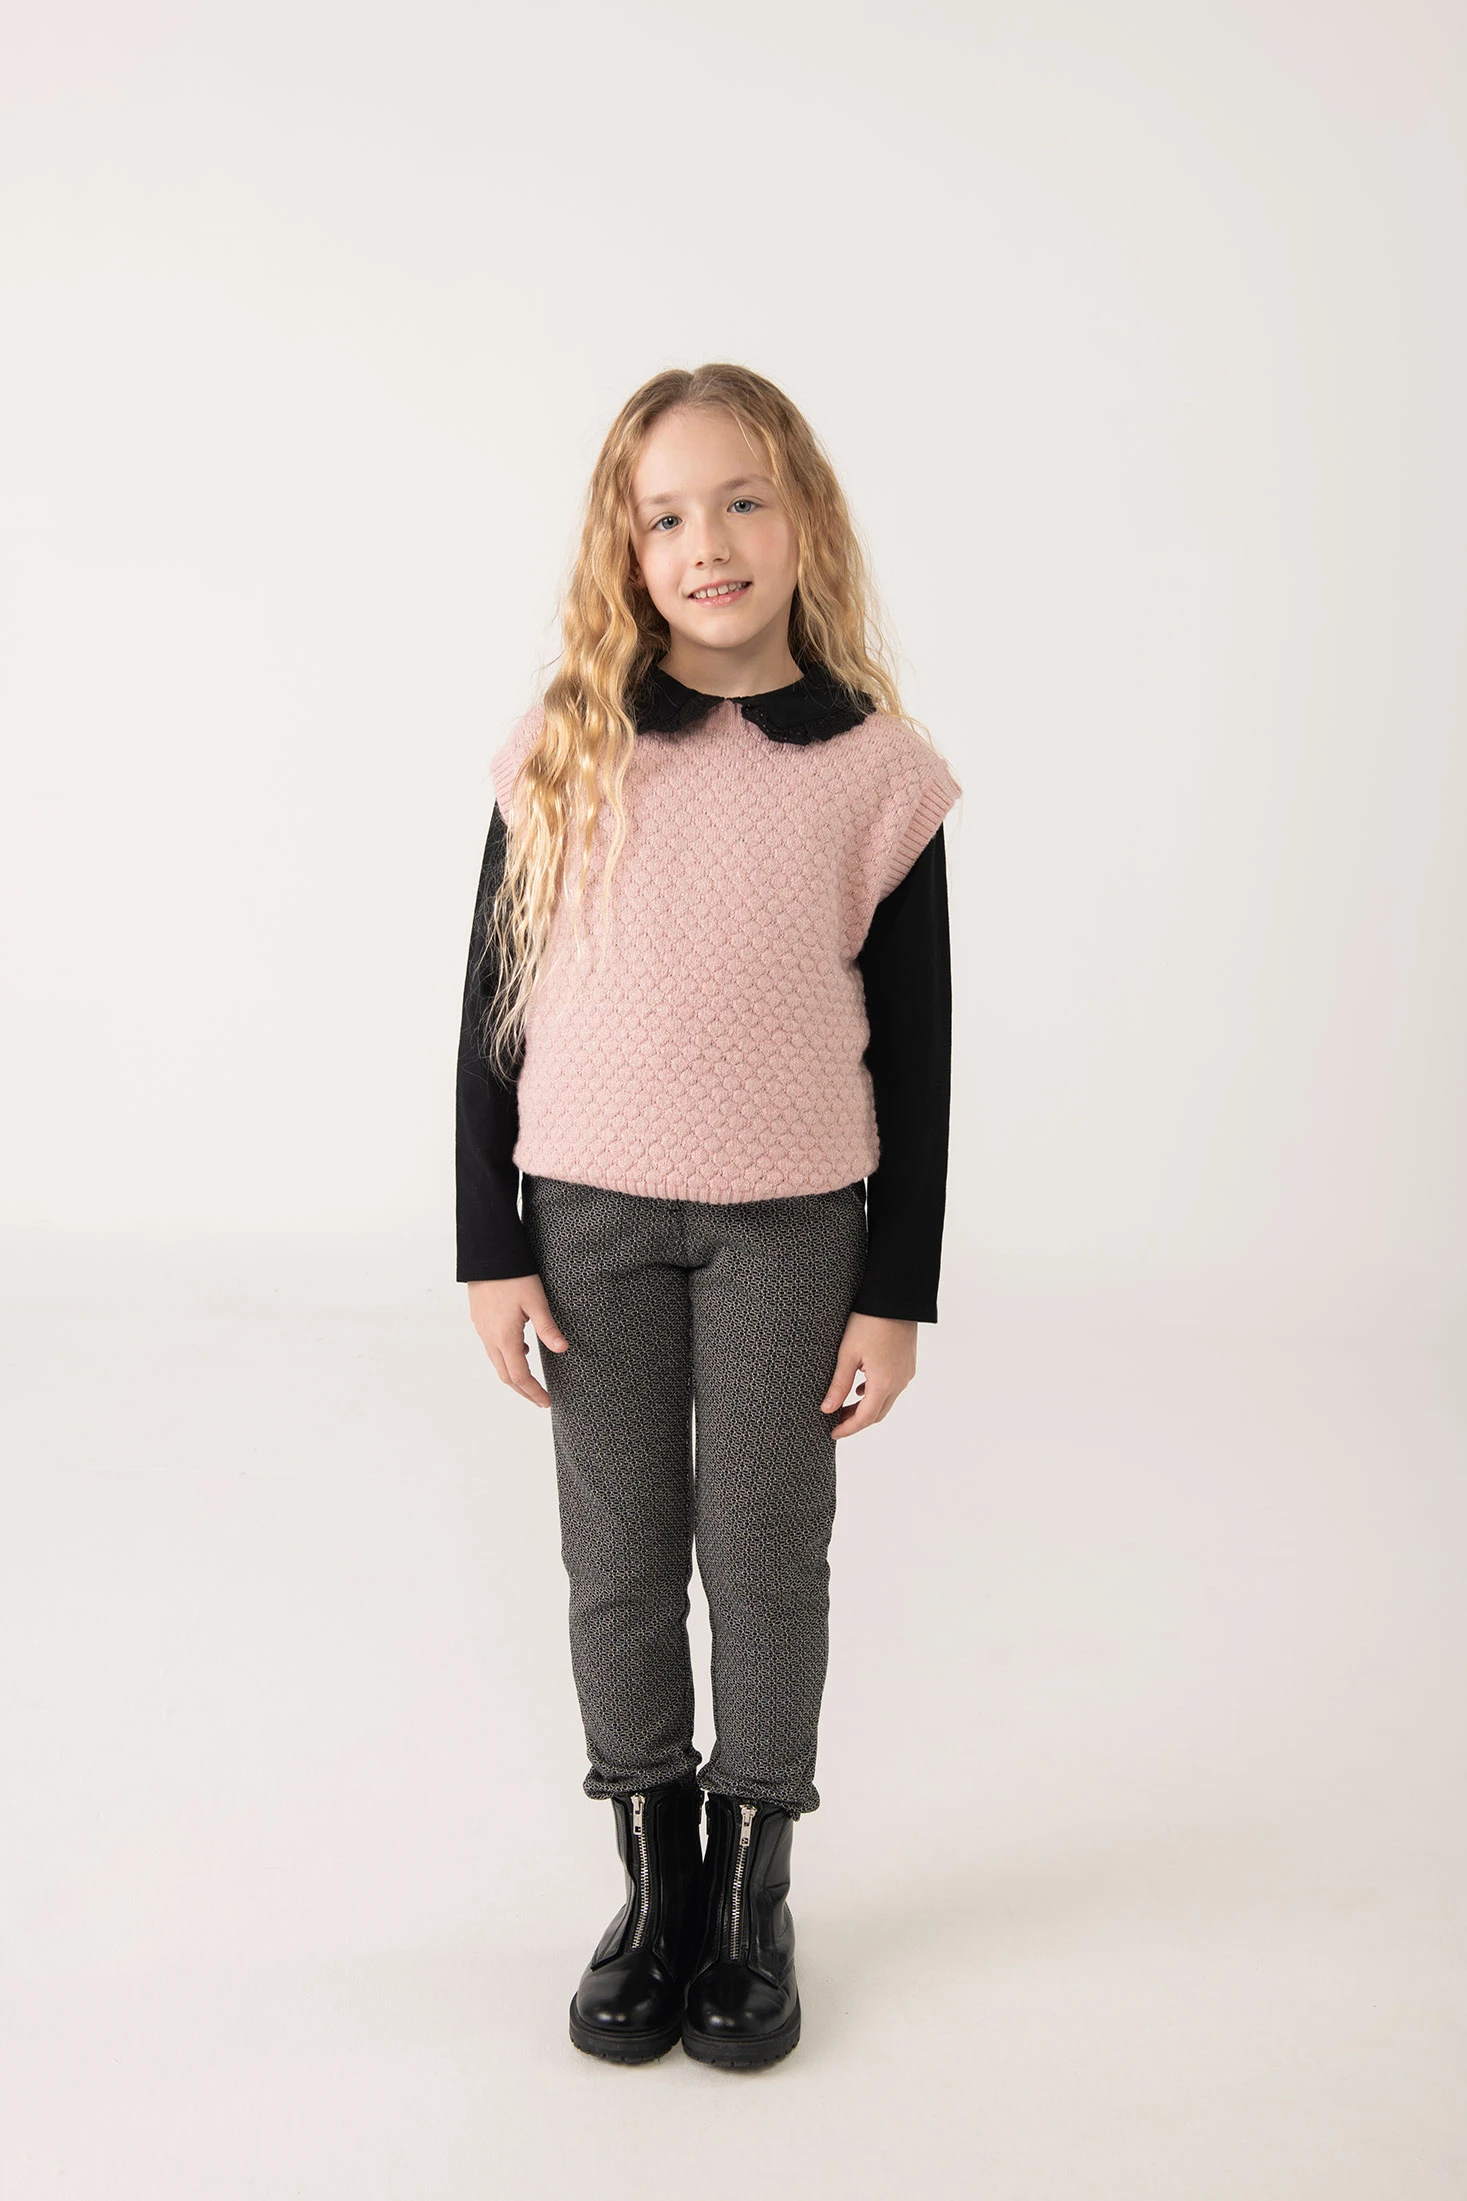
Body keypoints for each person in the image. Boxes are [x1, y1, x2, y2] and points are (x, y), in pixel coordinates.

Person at [455, 363, 962, 2070]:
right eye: (665, 516)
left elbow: (920, 1050)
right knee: (615, 1559)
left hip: (789, 1230)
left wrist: (894, 1288)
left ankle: (752, 1889)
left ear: (802, 517)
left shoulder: (876, 773)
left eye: (741, 500)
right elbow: (488, 1012)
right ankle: (653, 1885)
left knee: (759, 1554)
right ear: (626, 550)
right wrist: (489, 1242)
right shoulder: (569, 746)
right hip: (584, 1221)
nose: (708, 542)